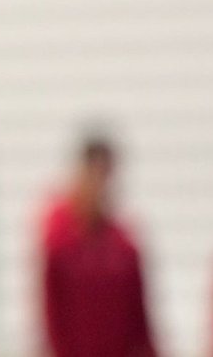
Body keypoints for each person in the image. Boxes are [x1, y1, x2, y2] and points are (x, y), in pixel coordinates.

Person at [39, 134, 158, 357]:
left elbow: (139, 318)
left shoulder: (125, 248)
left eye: (104, 177)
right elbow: (51, 314)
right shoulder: (59, 240)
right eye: (93, 175)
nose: (99, 186)